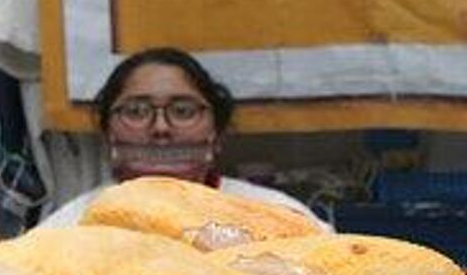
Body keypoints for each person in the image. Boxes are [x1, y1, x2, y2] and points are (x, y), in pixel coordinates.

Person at [37, 47, 325, 229]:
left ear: (216, 134)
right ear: (108, 135)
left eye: (183, 111)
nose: (161, 128)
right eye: (136, 111)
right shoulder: (67, 229)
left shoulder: (281, 218)